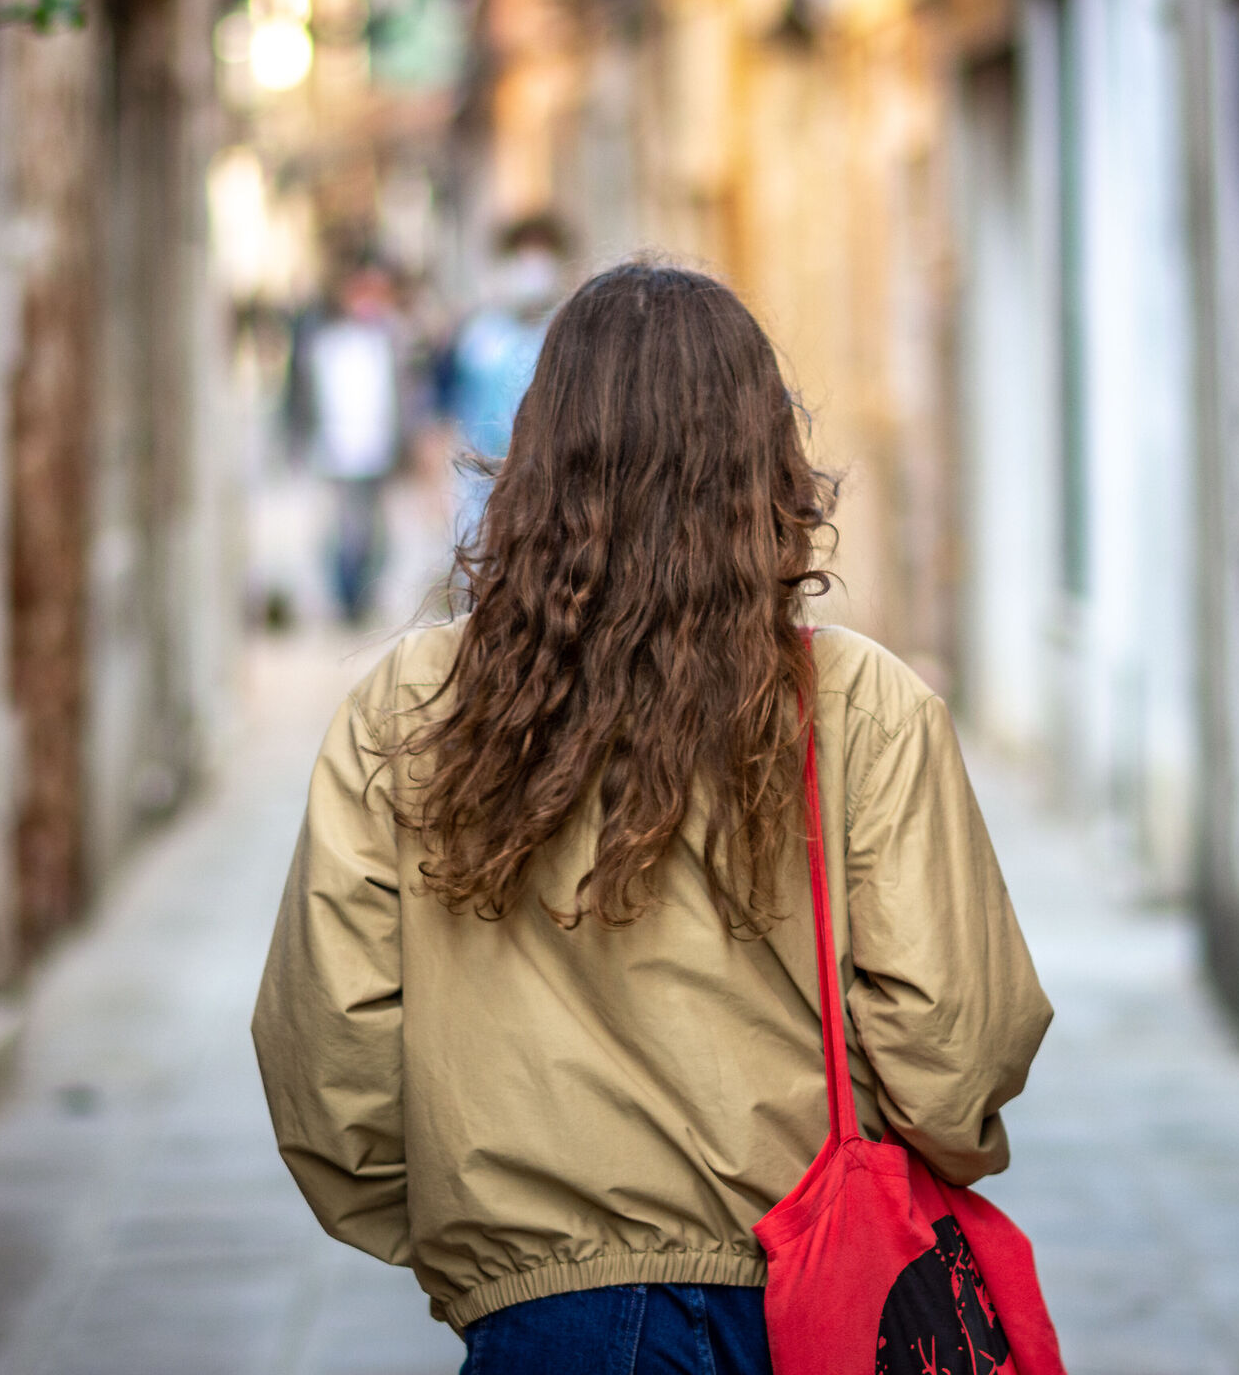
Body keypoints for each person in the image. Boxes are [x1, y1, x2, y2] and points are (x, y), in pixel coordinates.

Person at [252, 263, 1052, 1374]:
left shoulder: (411, 702)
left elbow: (328, 1059)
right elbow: (951, 1057)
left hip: (541, 1324)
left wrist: (488, 1238)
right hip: (807, 1304)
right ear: (764, 458)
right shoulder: (864, 706)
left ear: (535, 457)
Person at [295, 261, 410, 626]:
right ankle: (347, 600)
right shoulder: (325, 343)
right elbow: (307, 396)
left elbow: (400, 397)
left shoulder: (388, 341)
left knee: (374, 532)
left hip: (376, 452)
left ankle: (364, 595)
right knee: (345, 530)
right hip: (338, 451)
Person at [443, 215, 567, 546]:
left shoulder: (568, 332)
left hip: (555, 476)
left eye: (541, 254)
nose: (533, 268)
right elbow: (462, 411)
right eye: (524, 256)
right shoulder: (481, 336)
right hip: (489, 478)